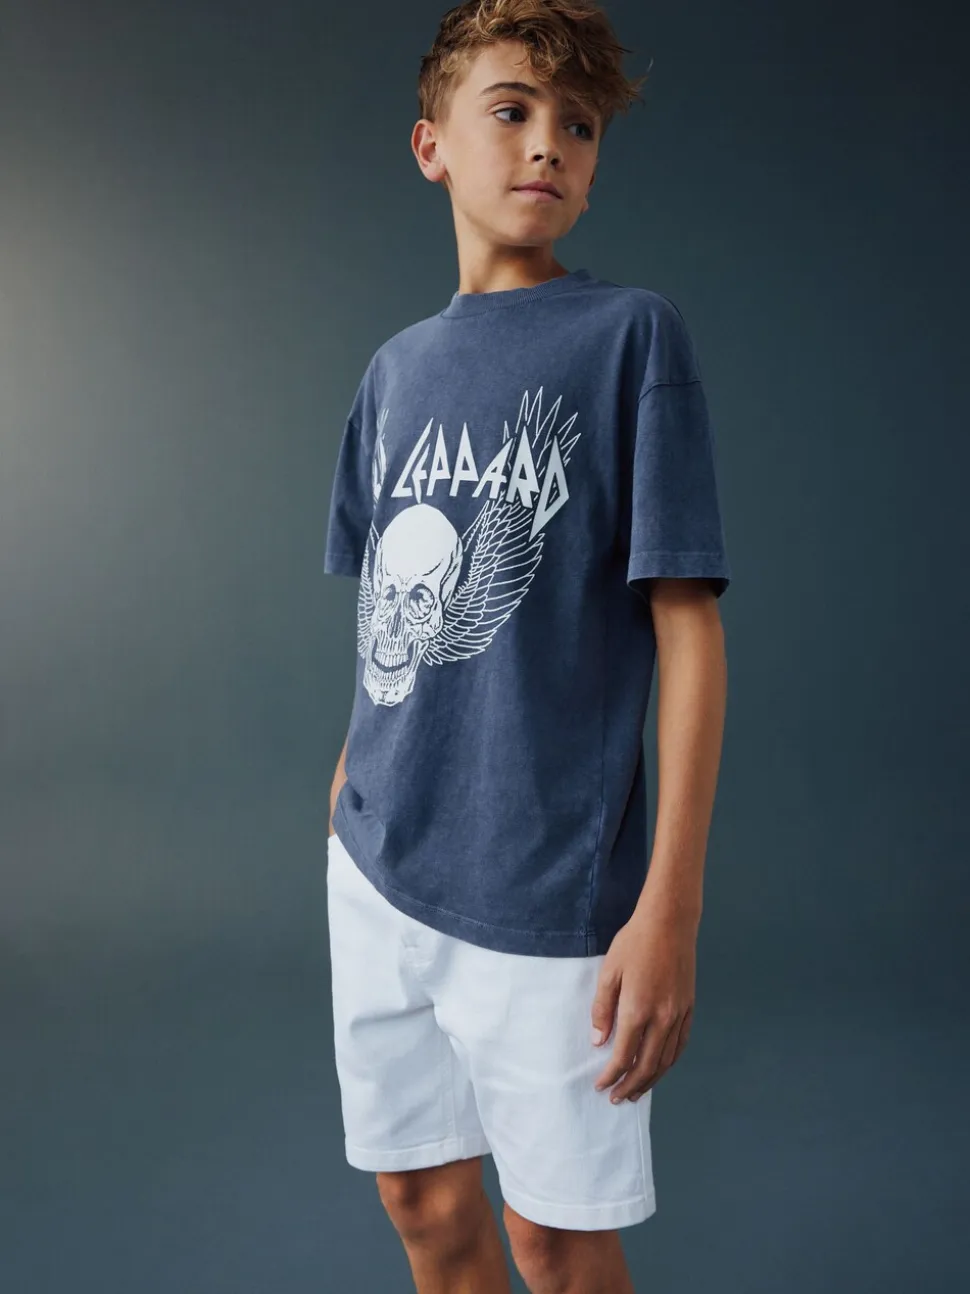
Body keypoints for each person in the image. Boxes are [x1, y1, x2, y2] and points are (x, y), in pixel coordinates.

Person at [322, 2, 731, 1290]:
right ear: (431, 145)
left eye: (580, 125)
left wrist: (669, 903)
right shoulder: (393, 372)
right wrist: (348, 779)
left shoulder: (630, 339)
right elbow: (380, 605)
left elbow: (688, 630)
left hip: (548, 884)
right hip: (377, 863)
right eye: (511, 110)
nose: (548, 143)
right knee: (420, 1200)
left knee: (554, 1237)